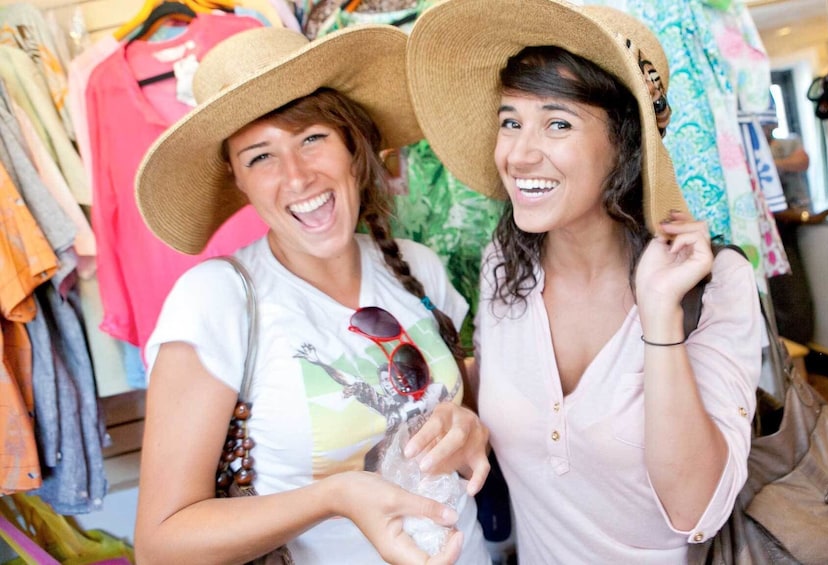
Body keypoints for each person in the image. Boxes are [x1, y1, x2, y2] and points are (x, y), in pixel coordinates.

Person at [406, 0, 763, 562]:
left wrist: (659, 316)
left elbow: (694, 511)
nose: (519, 154)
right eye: (509, 120)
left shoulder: (716, 285)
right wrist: (458, 411)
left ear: (624, 144)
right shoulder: (505, 265)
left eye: (557, 123)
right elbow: (511, 386)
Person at [133, 25, 492, 564]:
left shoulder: (419, 266)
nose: (297, 176)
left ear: (352, 144)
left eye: (312, 139)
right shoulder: (216, 301)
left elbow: (460, 408)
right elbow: (162, 546)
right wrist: (335, 497)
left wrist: (470, 426)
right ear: (238, 180)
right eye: (261, 157)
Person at [765, 124, 828, 345]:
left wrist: (771, 165)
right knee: (785, 293)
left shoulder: (789, 142)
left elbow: (802, 161)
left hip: (789, 218)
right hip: (775, 224)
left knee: (792, 292)